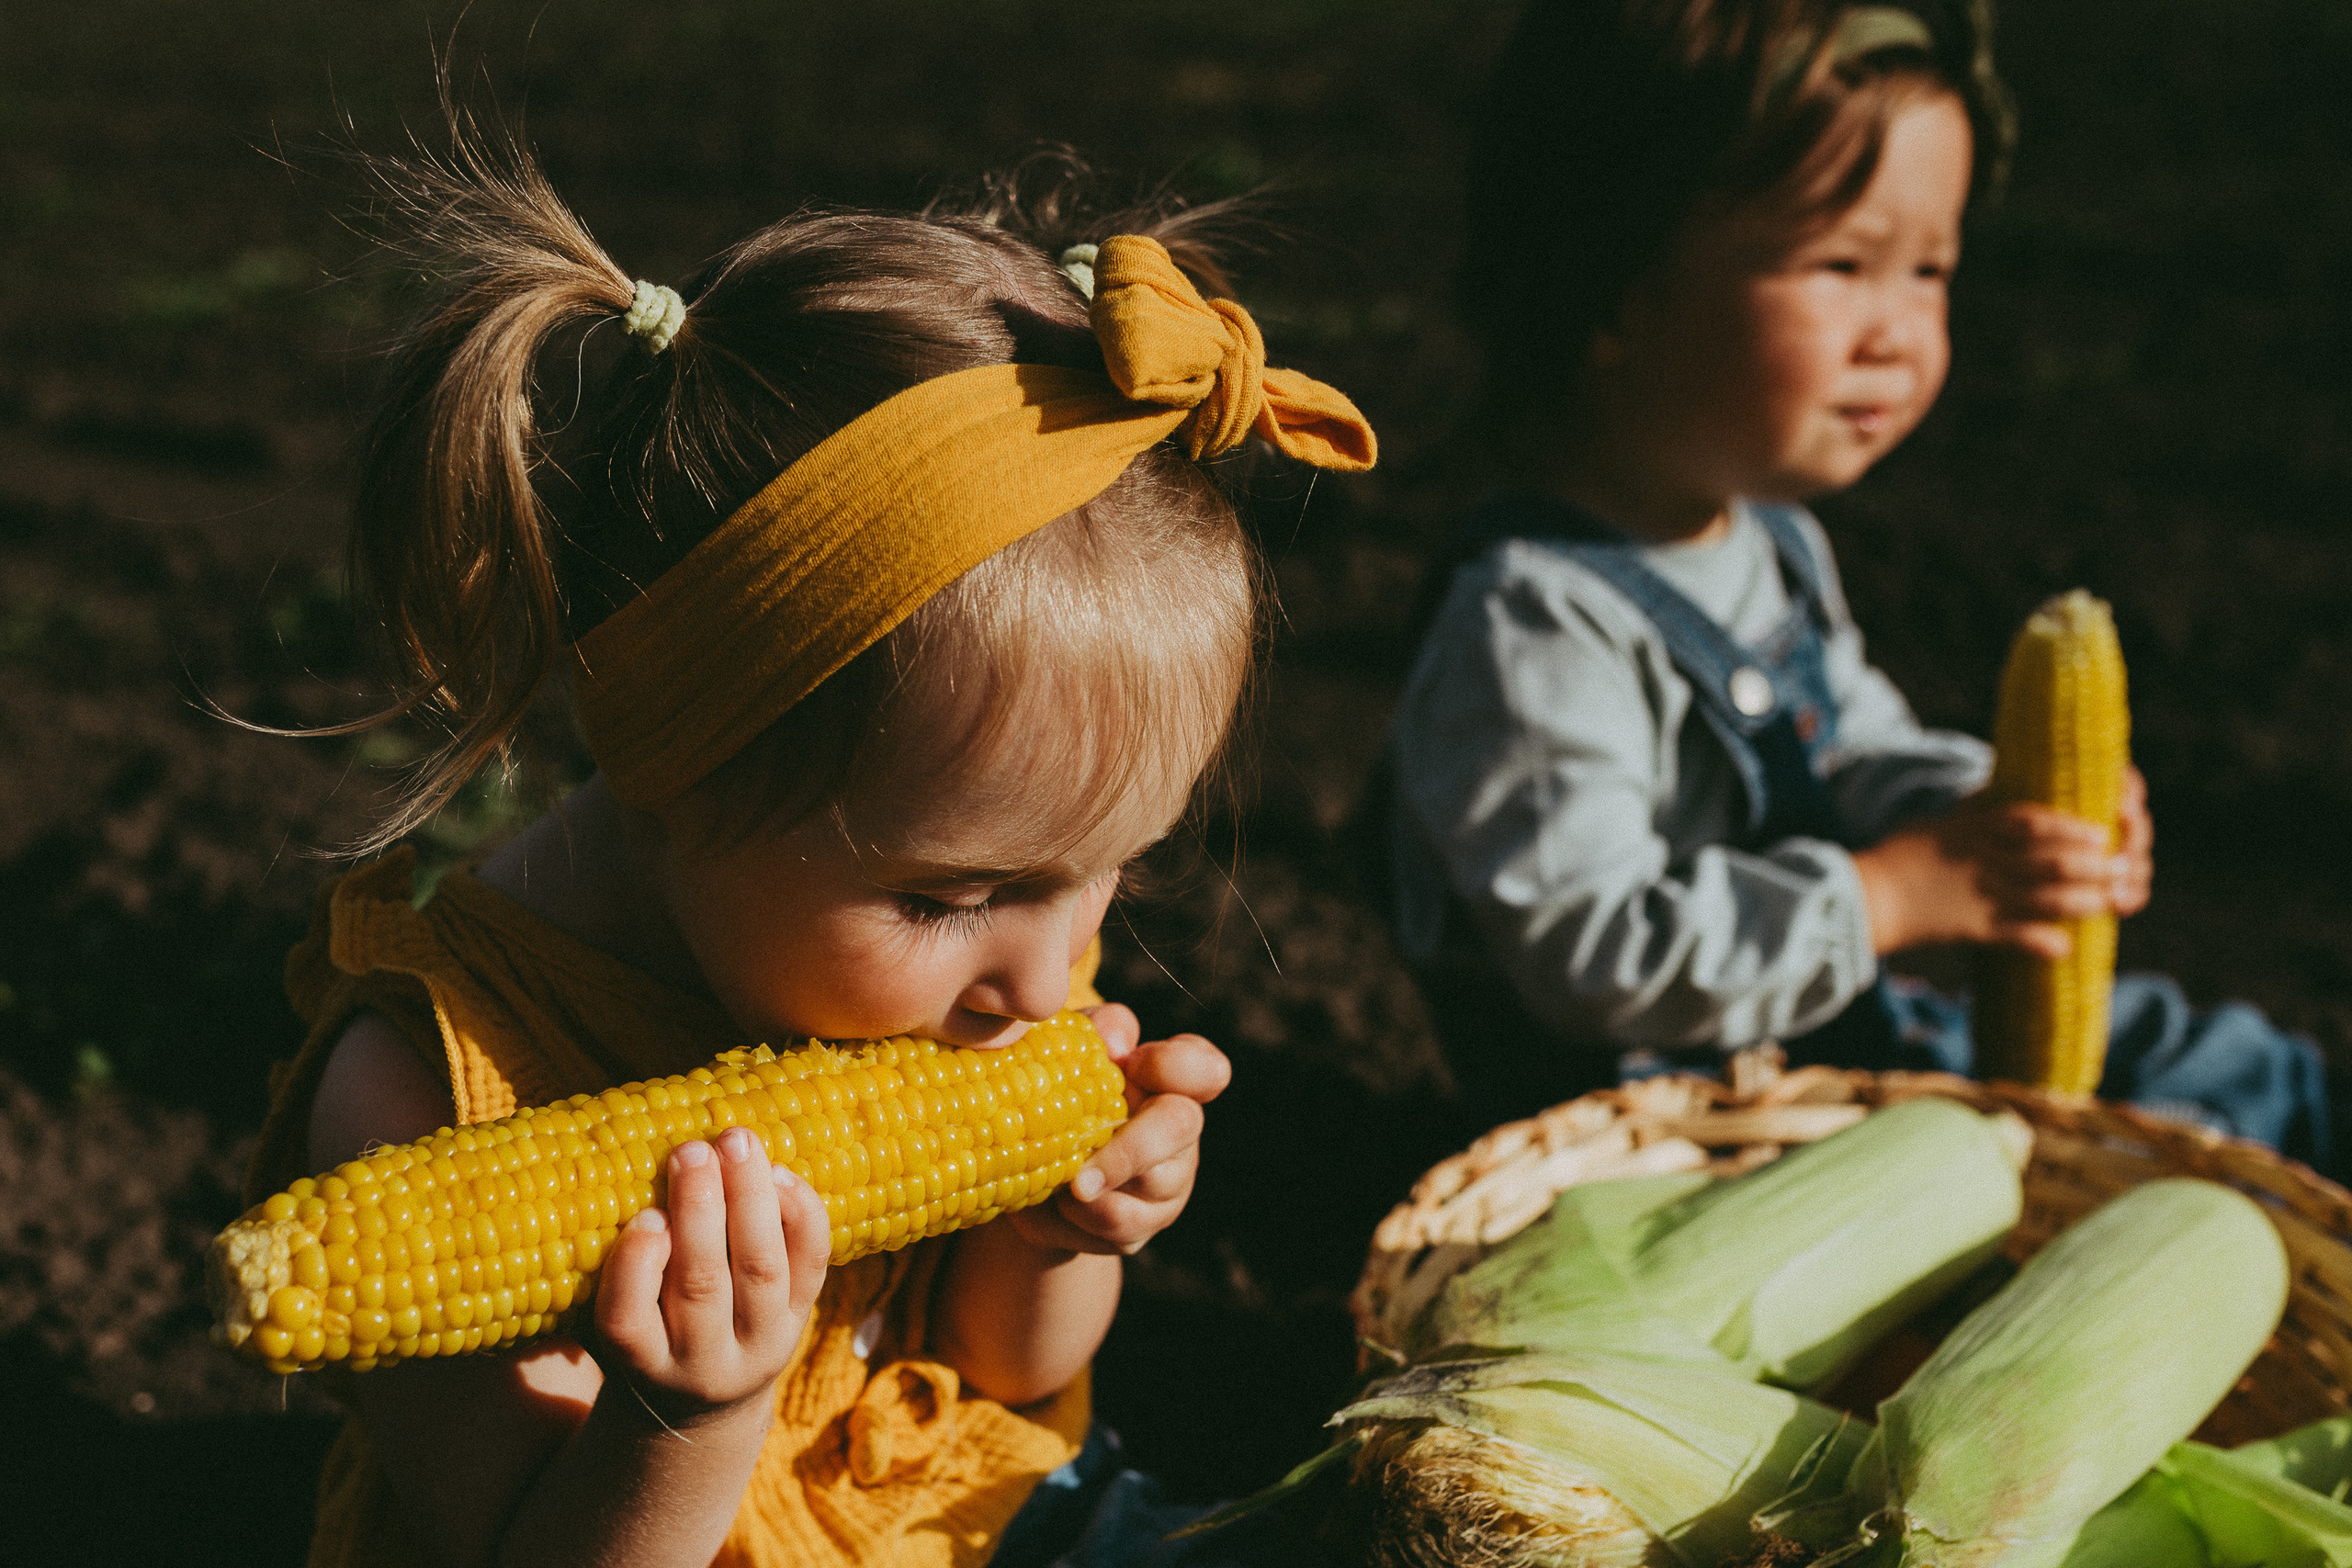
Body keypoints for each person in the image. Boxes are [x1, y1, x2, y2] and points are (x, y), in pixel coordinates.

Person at [243, 141, 1375, 1568]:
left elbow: (1004, 1385)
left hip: (944, 1506)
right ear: (674, 768)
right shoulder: (422, 1083)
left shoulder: (989, 946)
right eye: (953, 898)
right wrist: (683, 1415)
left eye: (1110, 869)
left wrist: (1057, 1241)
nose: (1041, 977)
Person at [1385, 0, 2330, 1167]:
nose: (1900, 331)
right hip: (1678, 1142)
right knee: (2148, 1152)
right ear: (1616, 287)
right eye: (1842, 265)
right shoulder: (1532, 623)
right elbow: (1593, 950)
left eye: (1928, 269)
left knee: (2222, 1061)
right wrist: (1887, 900)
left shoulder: (1767, 539)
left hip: (1818, 1045)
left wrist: (1991, 819)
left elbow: (1847, 750)